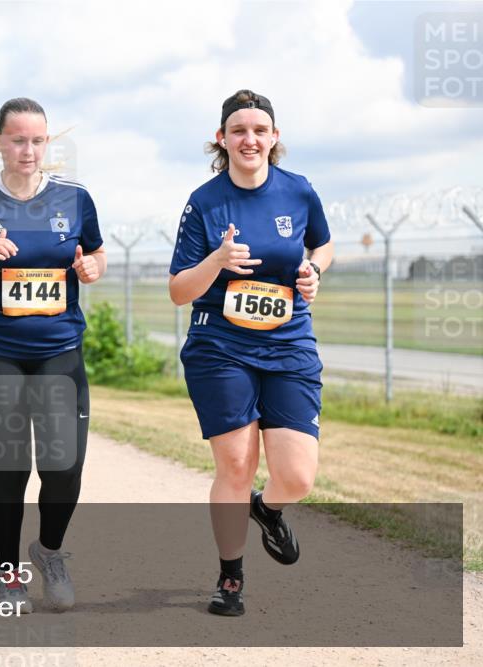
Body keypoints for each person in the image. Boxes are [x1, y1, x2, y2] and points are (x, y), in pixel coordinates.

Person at [0, 98, 106, 614]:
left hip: (60, 352)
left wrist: (92, 268)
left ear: (47, 143)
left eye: (37, 140)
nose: (27, 150)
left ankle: (49, 552)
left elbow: (94, 253)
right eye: (17, 140)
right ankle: (8, 576)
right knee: (10, 469)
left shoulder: (75, 199)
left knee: (65, 466)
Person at [167, 89, 334, 617]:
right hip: (221, 344)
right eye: (239, 130)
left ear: (275, 138)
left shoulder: (299, 191)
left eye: (260, 130)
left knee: (299, 477)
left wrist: (314, 271)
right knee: (236, 463)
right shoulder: (205, 201)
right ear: (222, 139)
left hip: (288, 342)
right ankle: (230, 576)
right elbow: (178, 289)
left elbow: (323, 244)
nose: (250, 139)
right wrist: (216, 259)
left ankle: (268, 508)